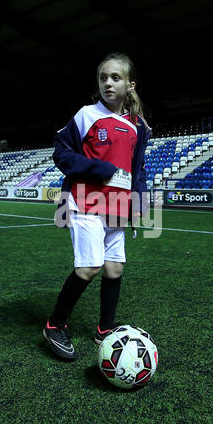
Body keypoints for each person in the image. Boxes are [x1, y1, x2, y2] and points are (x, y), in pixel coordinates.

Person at [43, 52, 151, 360]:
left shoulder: (137, 126)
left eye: (116, 78)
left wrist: (139, 198)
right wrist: (100, 170)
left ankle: (104, 329)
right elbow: (61, 154)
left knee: (114, 268)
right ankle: (54, 325)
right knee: (89, 267)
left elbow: (138, 168)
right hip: (86, 203)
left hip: (117, 208)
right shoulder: (86, 115)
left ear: (130, 85)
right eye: (103, 77)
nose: (108, 83)